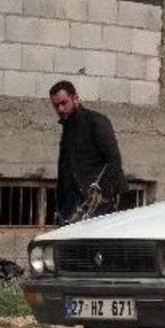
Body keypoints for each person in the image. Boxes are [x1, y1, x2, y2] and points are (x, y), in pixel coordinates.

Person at [49, 80, 128, 225]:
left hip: (98, 205)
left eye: (64, 103)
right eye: (56, 105)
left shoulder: (96, 122)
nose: (60, 109)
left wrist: (104, 195)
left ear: (75, 98)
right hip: (72, 205)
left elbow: (114, 159)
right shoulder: (67, 128)